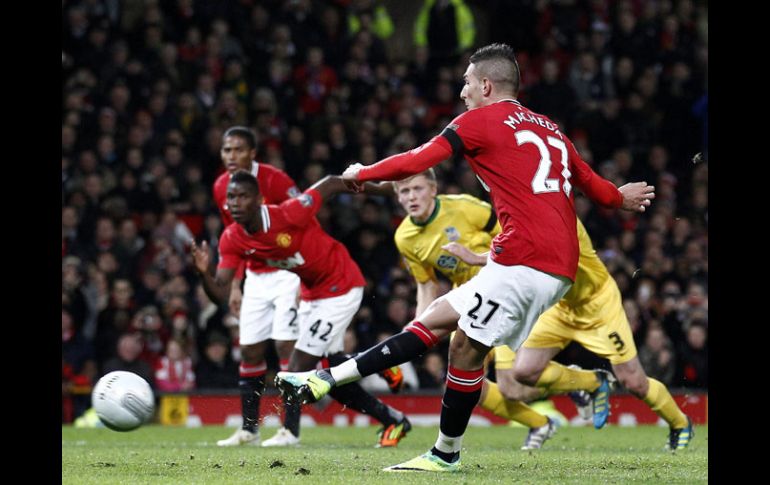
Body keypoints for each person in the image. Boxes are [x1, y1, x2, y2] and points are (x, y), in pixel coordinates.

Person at [277, 43, 654, 472]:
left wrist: (361, 173)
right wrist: (621, 199)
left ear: (486, 85)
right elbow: (597, 188)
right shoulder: (550, 128)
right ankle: (325, 383)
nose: (462, 92)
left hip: (524, 259)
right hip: (550, 263)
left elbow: (417, 160)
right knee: (444, 325)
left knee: (458, 345)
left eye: (467, 83)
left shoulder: (479, 121)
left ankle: (433, 446)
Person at [191, 171, 411, 448]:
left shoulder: (289, 214)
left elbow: (331, 183)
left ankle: (289, 432)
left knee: (298, 368)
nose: (235, 203)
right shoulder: (232, 238)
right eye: (231, 198)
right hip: (310, 294)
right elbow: (221, 292)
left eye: (243, 196)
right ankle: (391, 414)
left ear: (259, 199)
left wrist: (383, 190)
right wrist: (203, 274)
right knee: (329, 374)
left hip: (340, 286)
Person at [390, 168, 606, 450]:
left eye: (417, 189)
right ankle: (541, 423)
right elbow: (426, 284)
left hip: (503, 293)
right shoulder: (404, 237)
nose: (412, 197)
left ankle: (585, 381)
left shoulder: (465, 207)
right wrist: (417, 331)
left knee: (511, 385)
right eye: (404, 192)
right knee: (466, 386)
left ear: (433, 189)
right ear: (397, 197)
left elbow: (512, 230)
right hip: (467, 303)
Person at [443, 217, 694, 452]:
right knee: (525, 371)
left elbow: (531, 257)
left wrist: (478, 258)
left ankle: (680, 423)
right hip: (560, 306)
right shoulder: (511, 213)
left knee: (634, 382)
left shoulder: (560, 214)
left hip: (597, 305)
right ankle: (593, 382)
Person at [210, 126, 303, 447]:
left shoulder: (276, 180)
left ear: (252, 153)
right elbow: (234, 239)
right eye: (226, 150)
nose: (231, 156)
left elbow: (304, 220)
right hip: (255, 276)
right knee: (249, 348)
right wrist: (236, 285)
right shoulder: (222, 186)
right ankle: (249, 430)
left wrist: (303, 274)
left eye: (237, 150)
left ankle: (290, 430)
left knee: (285, 347)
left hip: (288, 270)